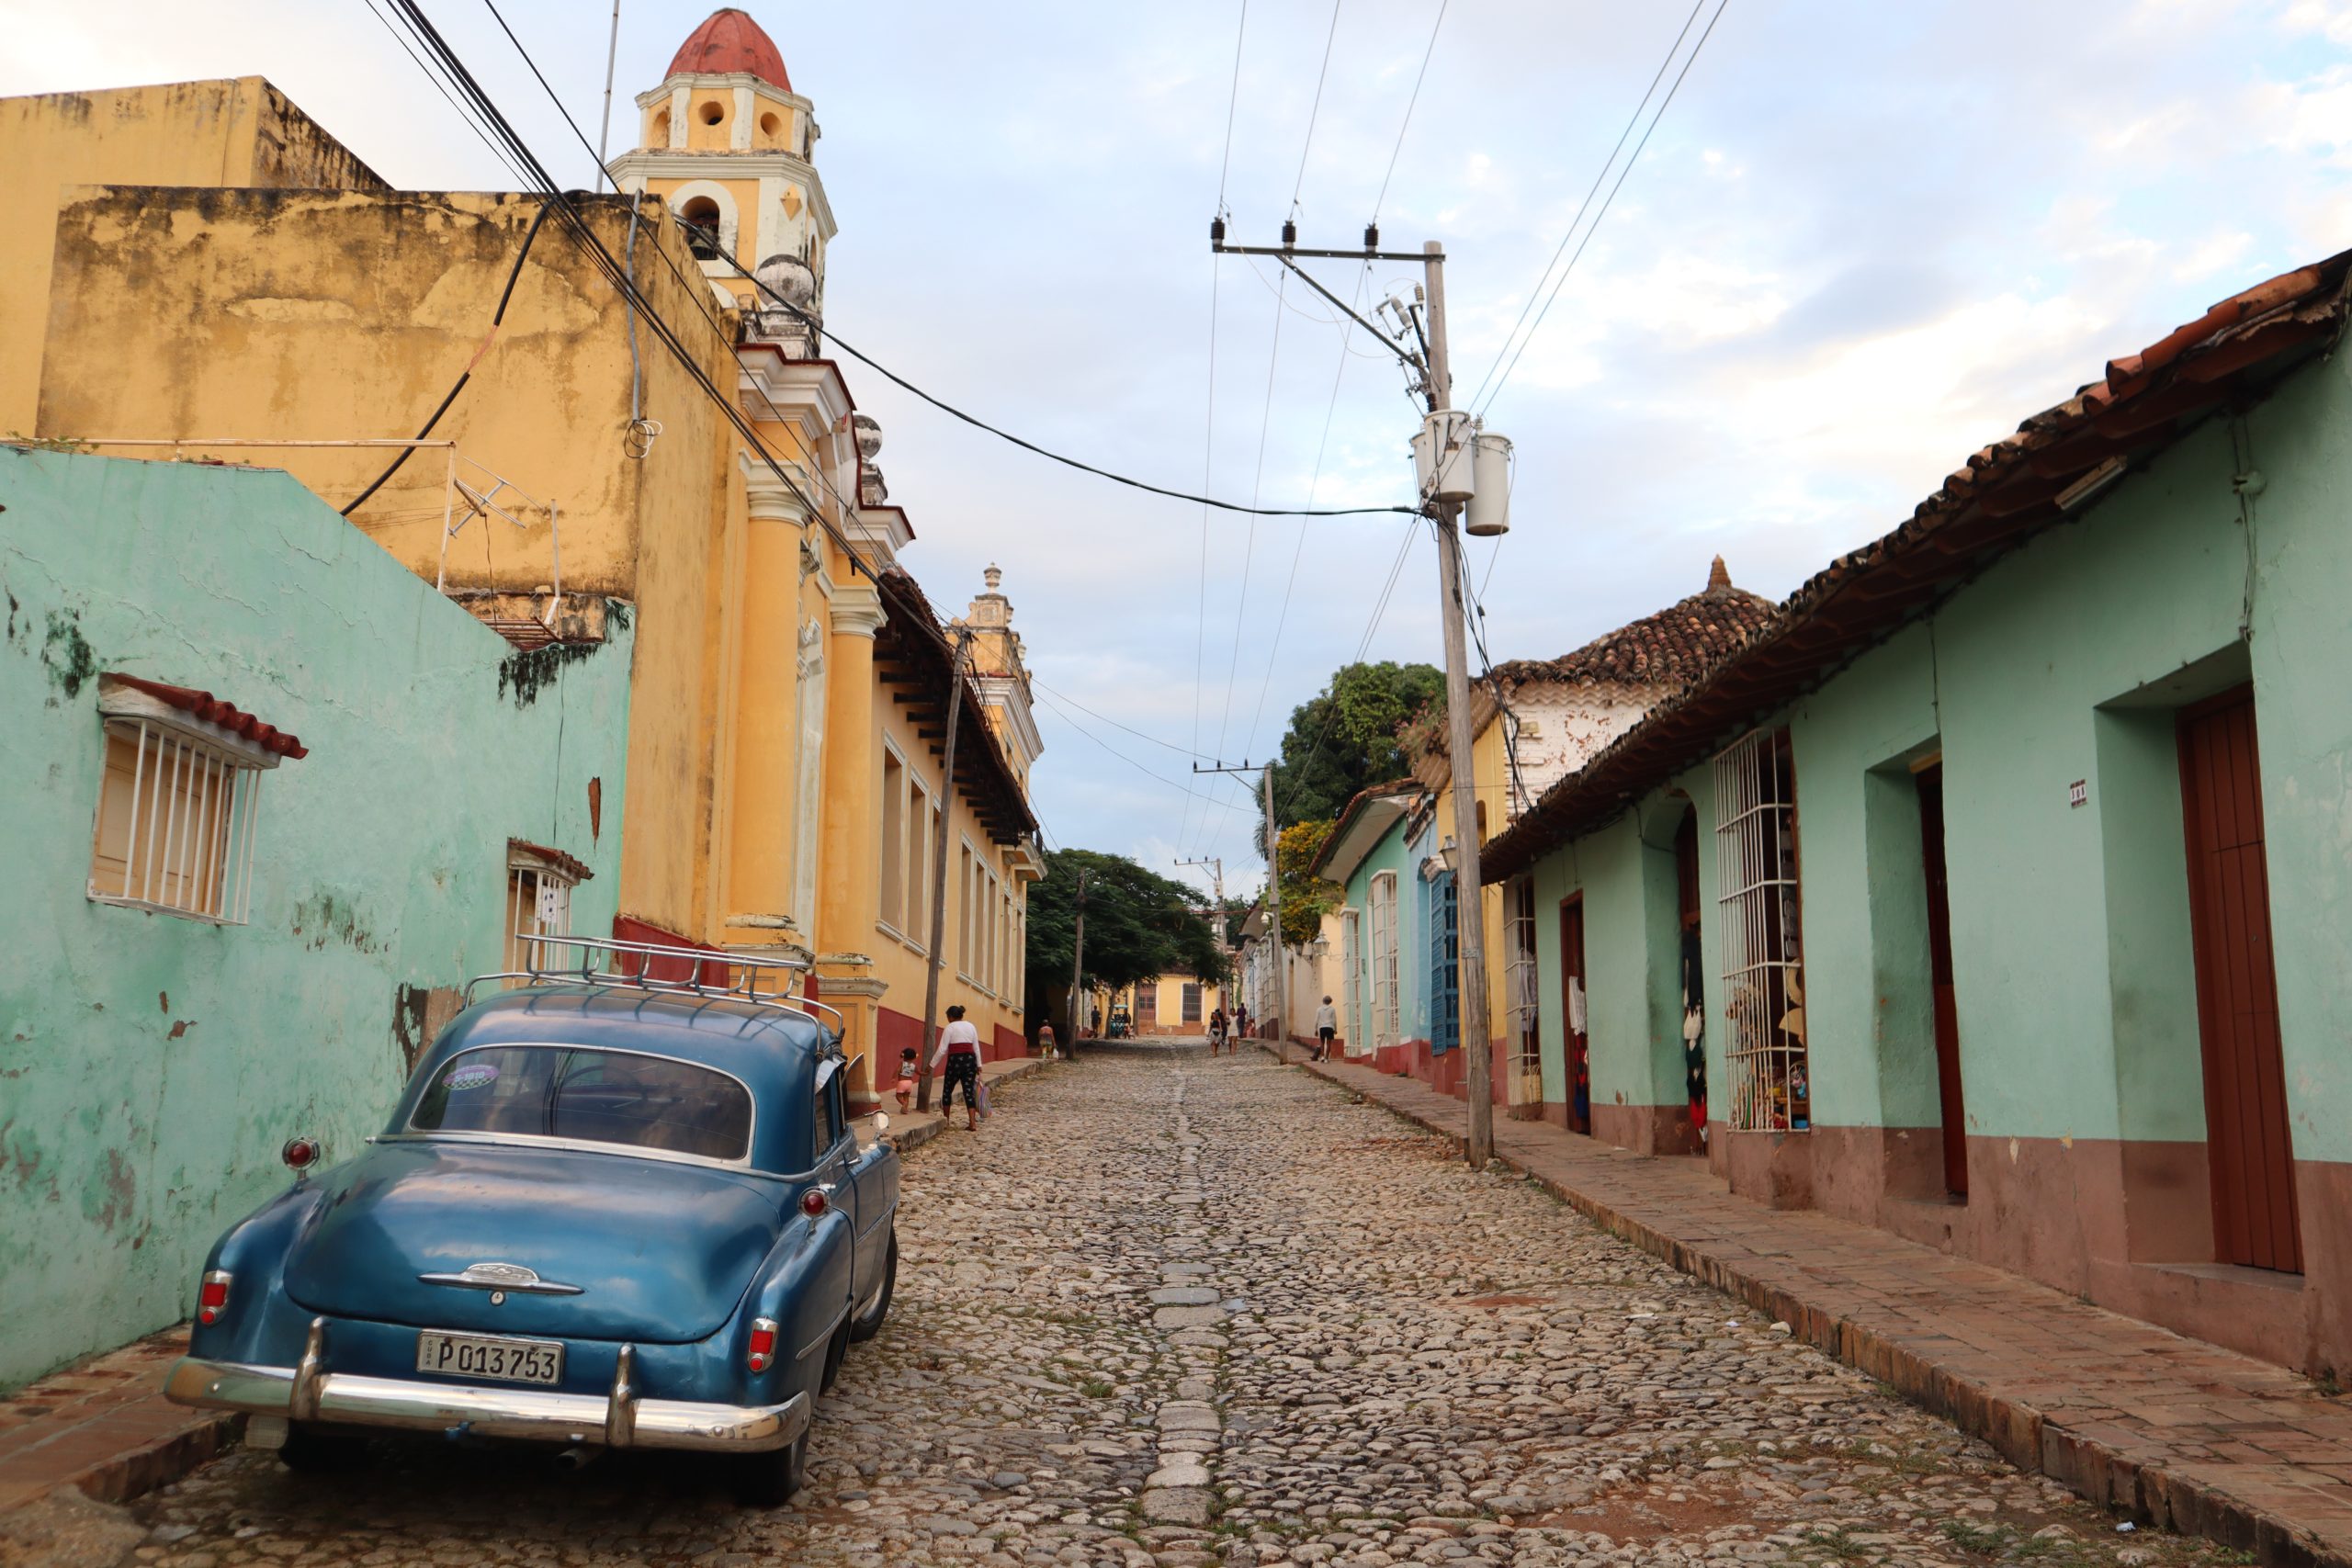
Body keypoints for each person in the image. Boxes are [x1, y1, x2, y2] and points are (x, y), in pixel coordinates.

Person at [932, 1004, 983, 1131]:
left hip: (955, 1062)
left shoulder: (950, 1028)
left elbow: (942, 1049)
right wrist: (979, 1065)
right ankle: (972, 1123)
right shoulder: (971, 1026)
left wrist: (931, 1065)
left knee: (947, 1090)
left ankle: (946, 1120)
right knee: (968, 1091)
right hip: (970, 1061)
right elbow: (976, 1046)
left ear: (950, 1017)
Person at [1314, 996, 1339, 1062]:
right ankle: (1326, 1058)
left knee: (1322, 1042)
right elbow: (1334, 1020)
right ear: (1330, 1002)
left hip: (1322, 1027)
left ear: (1323, 1001)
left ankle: (1322, 1056)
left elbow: (1316, 1020)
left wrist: (1316, 1029)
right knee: (1329, 1043)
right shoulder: (1332, 1009)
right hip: (1330, 1027)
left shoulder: (1319, 1009)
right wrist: (1335, 1029)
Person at [894, 1047, 919, 1113]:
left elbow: (897, 1070)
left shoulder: (902, 1064)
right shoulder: (914, 1066)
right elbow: (919, 1072)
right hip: (910, 1083)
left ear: (904, 1055)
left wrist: (893, 1078)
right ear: (914, 1057)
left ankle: (904, 1105)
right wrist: (925, 1073)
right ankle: (905, 1110)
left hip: (902, 1082)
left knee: (898, 1096)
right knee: (906, 1097)